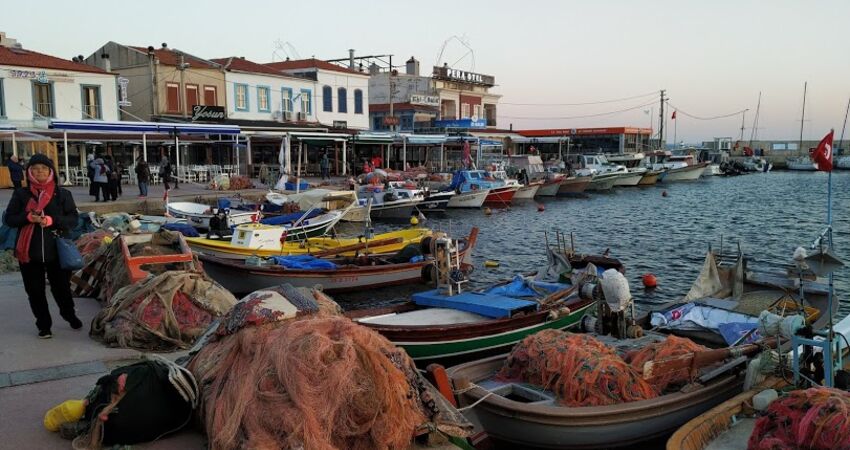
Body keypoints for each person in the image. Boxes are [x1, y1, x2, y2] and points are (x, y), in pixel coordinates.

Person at [3, 154, 82, 338]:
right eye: (35, 169)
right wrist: (27, 218)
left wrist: (52, 220)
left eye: (43, 168)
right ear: (29, 172)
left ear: (51, 171)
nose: (39, 172)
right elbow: (9, 218)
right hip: (29, 251)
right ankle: (44, 325)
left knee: (62, 288)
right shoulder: (21, 194)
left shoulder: (62, 194)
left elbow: (73, 219)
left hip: (56, 249)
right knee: (35, 291)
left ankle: (68, 314)